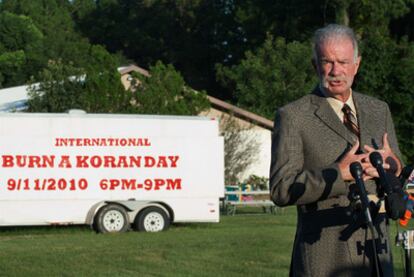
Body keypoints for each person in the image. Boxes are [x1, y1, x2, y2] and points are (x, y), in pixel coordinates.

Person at [269, 24, 402, 277]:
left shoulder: (379, 110)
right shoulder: (293, 116)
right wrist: (338, 174)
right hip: (325, 258)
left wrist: (393, 165)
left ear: (357, 64)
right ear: (314, 65)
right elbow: (280, 189)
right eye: (327, 62)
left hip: (378, 253)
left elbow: (396, 169)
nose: (336, 70)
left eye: (343, 61)